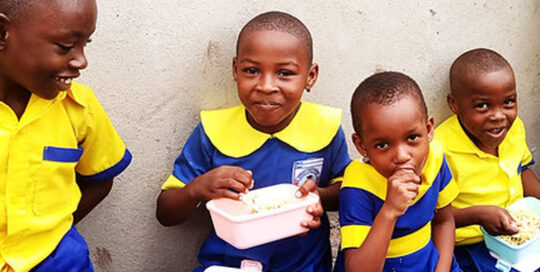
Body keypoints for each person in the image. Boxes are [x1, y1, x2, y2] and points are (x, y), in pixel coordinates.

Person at [156, 11, 351, 272]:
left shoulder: (324, 129)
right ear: (235, 70)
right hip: (229, 264)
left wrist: (320, 198)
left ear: (310, 76)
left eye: (284, 73)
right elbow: (166, 213)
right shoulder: (214, 131)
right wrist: (198, 188)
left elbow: (348, 192)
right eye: (252, 71)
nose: (267, 86)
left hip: (303, 265)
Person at [0, 0, 132, 271]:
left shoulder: (79, 107)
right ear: (2, 33)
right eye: (65, 46)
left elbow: (101, 178)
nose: (82, 61)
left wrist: (54, 231)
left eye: (86, 44)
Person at [334, 72, 461, 272]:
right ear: (361, 145)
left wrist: (442, 269)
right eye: (383, 144)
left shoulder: (435, 159)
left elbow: (444, 221)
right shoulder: (357, 186)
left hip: (429, 261)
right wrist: (390, 210)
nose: (402, 156)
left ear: (428, 130)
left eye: (412, 138)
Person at [435, 48, 540, 271]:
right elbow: (432, 214)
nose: (499, 116)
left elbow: (522, 172)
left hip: (520, 233)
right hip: (472, 244)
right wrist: (478, 215)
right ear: (454, 104)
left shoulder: (515, 129)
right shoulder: (439, 151)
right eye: (483, 105)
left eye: (508, 102)